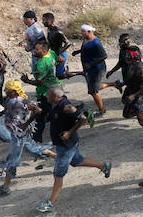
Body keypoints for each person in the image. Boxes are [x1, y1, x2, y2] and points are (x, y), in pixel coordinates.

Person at [35, 85, 111, 213]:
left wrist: (69, 132)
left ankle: (50, 203)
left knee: (58, 174)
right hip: (66, 145)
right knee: (77, 161)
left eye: (48, 94)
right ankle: (104, 166)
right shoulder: (53, 104)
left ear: (56, 97)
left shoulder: (67, 107)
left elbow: (83, 119)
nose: (46, 96)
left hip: (66, 146)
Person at [0, 80, 55, 197]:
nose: (5, 90)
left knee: (12, 160)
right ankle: (59, 157)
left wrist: (26, 123)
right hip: (17, 134)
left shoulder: (22, 102)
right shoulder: (8, 99)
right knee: (34, 150)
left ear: (13, 91)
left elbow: (38, 110)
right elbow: (9, 110)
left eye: (7, 89)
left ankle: (5, 187)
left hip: (19, 136)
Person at [69, 24, 116, 117]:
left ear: (89, 31)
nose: (81, 33)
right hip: (89, 69)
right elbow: (87, 49)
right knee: (94, 87)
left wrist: (90, 64)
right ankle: (114, 84)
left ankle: (102, 110)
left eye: (83, 31)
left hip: (97, 70)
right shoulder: (86, 38)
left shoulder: (96, 43)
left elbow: (104, 56)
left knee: (93, 91)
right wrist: (78, 51)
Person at [22, 40, 63, 145]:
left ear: (44, 51)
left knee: (41, 116)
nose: (34, 51)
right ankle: (37, 139)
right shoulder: (51, 53)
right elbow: (61, 60)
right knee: (48, 114)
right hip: (56, 87)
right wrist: (52, 73)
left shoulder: (41, 64)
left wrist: (27, 81)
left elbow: (40, 83)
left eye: (36, 49)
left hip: (46, 93)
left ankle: (37, 140)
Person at [42, 13, 71, 78]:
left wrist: (59, 52)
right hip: (53, 54)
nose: (42, 22)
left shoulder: (57, 31)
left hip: (60, 55)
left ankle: (78, 73)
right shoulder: (49, 30)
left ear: (49, 20)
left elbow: (68, 43)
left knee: (59, 76)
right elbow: (50, 43)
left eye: (44, 20)